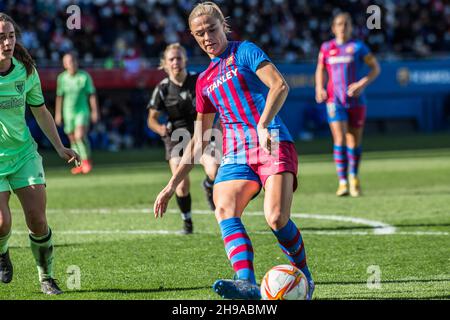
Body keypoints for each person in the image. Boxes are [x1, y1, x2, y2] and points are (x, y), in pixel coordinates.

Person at [153, 2, 314, 300]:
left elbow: (279, 86)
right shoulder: (203, 81)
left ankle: (303, 274)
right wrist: (171, 185)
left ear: (223, 26)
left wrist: (264, 123)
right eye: (199, 33)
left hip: (272, 141)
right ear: (193, 35)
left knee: (276, 218)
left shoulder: (245, 51)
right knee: (223, 206)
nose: (207, 37)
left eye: (211, 30)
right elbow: (200, 137)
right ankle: (246, 283)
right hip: (237, 153)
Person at [0, 13, 80, 295]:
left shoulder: (25, 70)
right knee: (1, 223)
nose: (7, 42)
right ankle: (2, 253)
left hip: (23, 155)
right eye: (1, 37)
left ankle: (46, 277)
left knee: (37, 219)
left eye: (10, 36)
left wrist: (60, 146)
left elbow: (41, 111)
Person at [147, 43, 220, 235]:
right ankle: (187, 222)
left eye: (179, 58)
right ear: (165, 63)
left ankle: (208, 185)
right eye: (171, 59)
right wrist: (161, 129)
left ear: (185, 60)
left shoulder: (199, 80)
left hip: (201, 134)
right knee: (181, 184)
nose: (175, 62)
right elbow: (151, 120)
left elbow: (217, 105)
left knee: (214, 169)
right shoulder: (162, 88)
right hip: (176, 139)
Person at [315, 12, 380, 197]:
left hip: (356, 101)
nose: (343, 27)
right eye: (339, 24)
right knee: (340, 139)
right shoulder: (327, 48)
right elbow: (320, 69)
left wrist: (361, 84)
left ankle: (354, 177)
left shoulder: (358, 47)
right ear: (333, 28)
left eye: (346, 24)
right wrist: (319, 87)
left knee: (354, 141)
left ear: (351, 27)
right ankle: (342, 181)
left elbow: (376, 68)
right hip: (334, 100)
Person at [55, 52, 99, 175]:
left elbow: (92, 95)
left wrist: (95, 111)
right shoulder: (62, 78)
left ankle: (86, 161)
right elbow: (59, 97)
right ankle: (79, 163)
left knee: (80, 136)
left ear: (77, 62)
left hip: (82, 111)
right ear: (64, 65)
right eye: (68, 62)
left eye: (73, 61)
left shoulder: (84, 77)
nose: (71, 64)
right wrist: (58, 114)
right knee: (73, 139)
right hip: (68, 112)